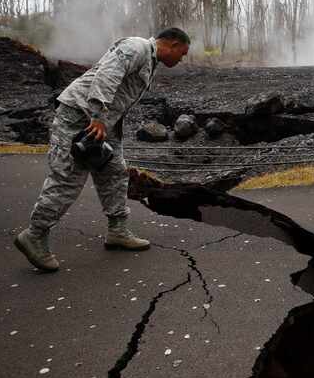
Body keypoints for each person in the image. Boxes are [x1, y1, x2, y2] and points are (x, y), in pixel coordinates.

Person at [14, 27, 191, 273]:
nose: (181, 59)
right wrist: (98, 116)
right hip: (80, 117)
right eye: (182, 53)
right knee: (67, 179)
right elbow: (107, 75)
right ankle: (34, 235)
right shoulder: (136, 47)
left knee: (116, 172)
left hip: (103, 125)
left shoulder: (150, 61)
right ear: (171, 44)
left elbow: (121, 95)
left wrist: (109, 126)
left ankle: (118, 231)